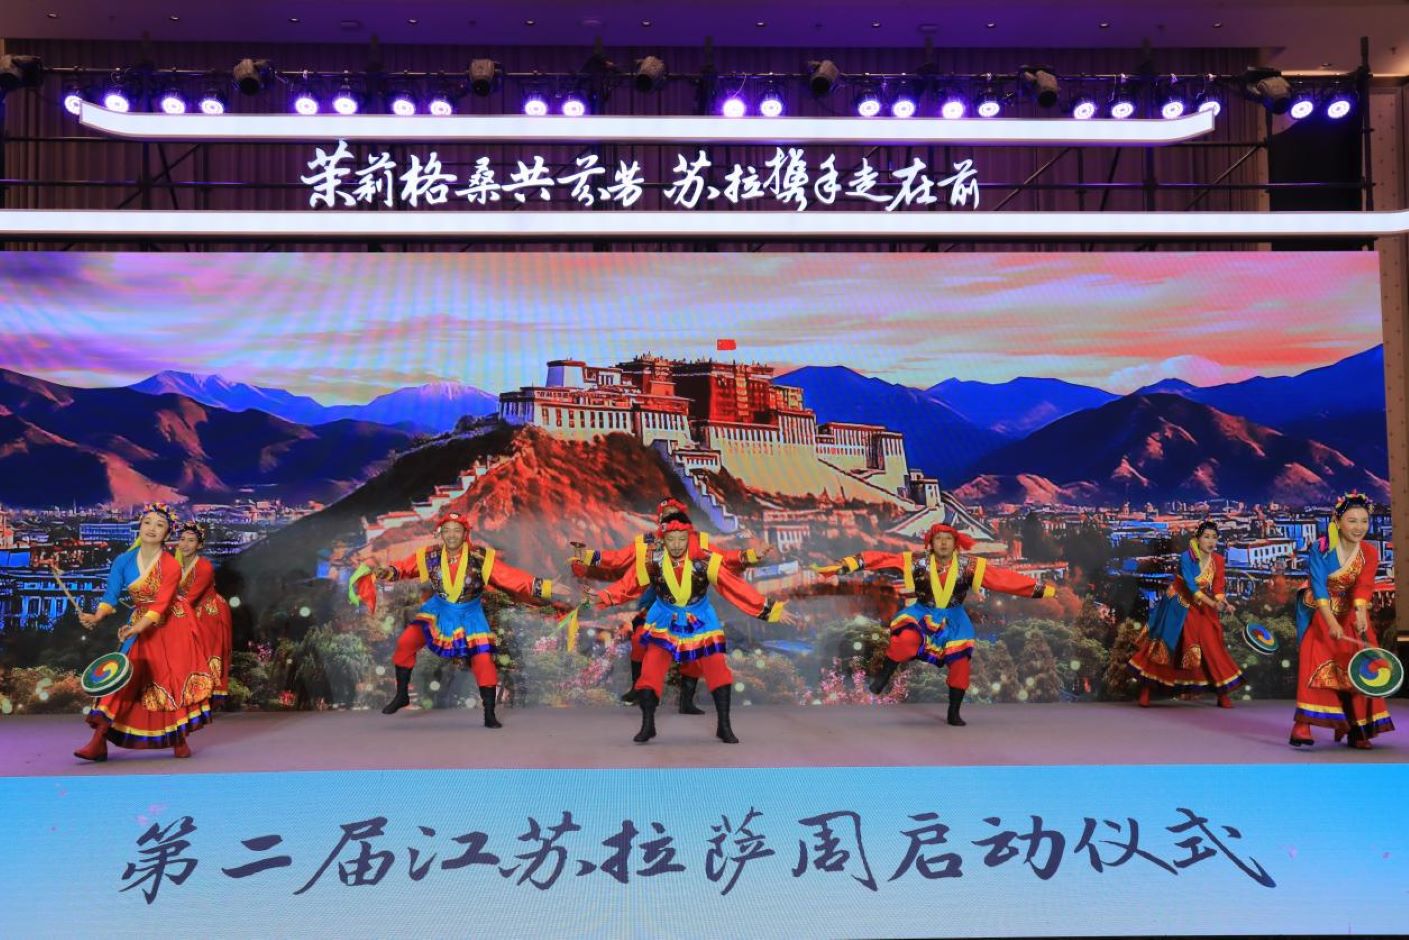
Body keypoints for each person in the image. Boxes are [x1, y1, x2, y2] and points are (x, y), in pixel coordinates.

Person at [818, 523, 1053, 727]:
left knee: (960, 664)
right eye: (938, 538)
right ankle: (884, 675)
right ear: (931, 543)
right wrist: (847, 565)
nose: (943, 543)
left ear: (956, 543)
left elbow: (1003, 579)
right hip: (923, 612)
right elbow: (882, 559)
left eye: (948, 539)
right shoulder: (916, 562)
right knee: (905, 640)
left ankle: (954, 711)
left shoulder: (970, 566)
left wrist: (1041, 590)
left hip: (954, 617)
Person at [589, 515, 793, 744]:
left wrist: (770, 609)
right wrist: (600, 597)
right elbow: (627, 585)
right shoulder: (651, 561)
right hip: (664, 619)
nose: (676, 544)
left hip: (700, 619)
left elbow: (734, 586)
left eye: (681, 539)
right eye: (671, 539)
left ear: (689, 537)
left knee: (716, 666)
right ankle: (648, 725)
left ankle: (724, 726)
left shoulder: (704, 560)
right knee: (651, 668)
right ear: (663, 538)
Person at [352, 511, 562, 728]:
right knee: (406, 642)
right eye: (447, 530)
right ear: (441, 533)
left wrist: (546, 586)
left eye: (456, 530)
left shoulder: (480, 557)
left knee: (483, 660)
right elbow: (405, 567)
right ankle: (402, 694)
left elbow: (510, 577)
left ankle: (489, 713)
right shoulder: (430, 556)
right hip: (438, 609)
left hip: (469, 613)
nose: (451, 535)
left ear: (465, 533)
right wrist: (388, 571)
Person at [570, 498, 772, 712]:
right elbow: (618, 559)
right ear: (660, 520)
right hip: (657, 606)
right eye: (666, 515)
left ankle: (687, 701)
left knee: (694, 652)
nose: (670, 519)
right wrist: (588, 557)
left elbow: (723, 558)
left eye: (675, 514)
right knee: (640, 641)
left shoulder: (697, 541)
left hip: (690, 607)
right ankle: (639, 689)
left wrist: (752, 555)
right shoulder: (648, 543)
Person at [73, 503, 212, 761]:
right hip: (138, 623)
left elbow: (160, 605)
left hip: (171, 624)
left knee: (169, 680)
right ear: (139, 526)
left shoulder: (170, 565)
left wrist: (135, 628)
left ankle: (179, 739)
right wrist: (96, 616)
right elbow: (110, 596)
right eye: (147, 522)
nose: (152, 528)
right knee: (124, 678)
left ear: (167, 533)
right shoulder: (123, 561)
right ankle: (98, 741)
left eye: (160, 525)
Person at [1290, 492, 1394, 749]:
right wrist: (1331, 623)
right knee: (1315, 661)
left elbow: (1364, 585)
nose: (1359, 527)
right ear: (1337, 521)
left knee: (1359, 664)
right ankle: (1303, 725)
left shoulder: (1369, 552)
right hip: (1320, 609)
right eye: (1352, 521)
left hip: (1351, 610)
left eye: (1364, 521)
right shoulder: (1320, 548)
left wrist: (1360, 613)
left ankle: (1358, 728)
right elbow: (1318, 586)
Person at [1127, 520, 1244, 708]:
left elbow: (1218, 587)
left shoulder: (1218, 560)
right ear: (1197, 538)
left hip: (1202, 605)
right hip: (1178, 603)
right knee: (1165, 645)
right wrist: (1213, 604)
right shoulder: (1186, 558)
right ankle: (1146, 690)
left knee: (1212, 645)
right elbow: (1191, 586)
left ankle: (1222, 692)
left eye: (1214, 537)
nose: (1210, 541)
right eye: (1206, 537)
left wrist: (1224, 602)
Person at [174, 521, 233, 708]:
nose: (185, 544)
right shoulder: (176, 565)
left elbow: (189, 598)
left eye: (191, 541)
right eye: (182, 539)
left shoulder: (204, 567)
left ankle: (204, 698)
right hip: (188, 611)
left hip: (208, 613)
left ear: (199, 545)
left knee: (206, 654)